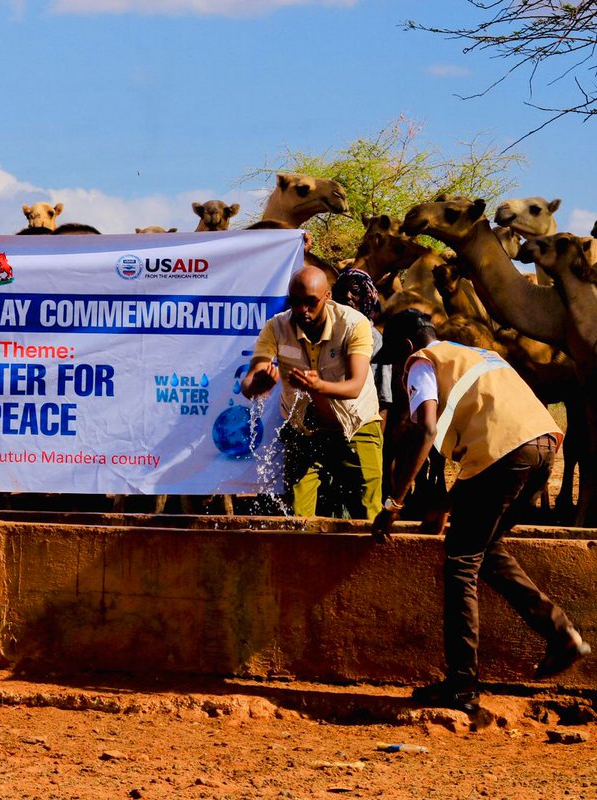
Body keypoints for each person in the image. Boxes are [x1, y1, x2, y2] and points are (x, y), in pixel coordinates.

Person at [372, 309, 589, 712]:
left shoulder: (422, 362)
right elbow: (488, 434)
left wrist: (394, 503)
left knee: (460, 563)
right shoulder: (477, 354)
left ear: (406, 346)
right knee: (483, 550)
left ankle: (461, 684)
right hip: (543, 446)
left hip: (503, 455)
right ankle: (562, 634)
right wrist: (444, 503)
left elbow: (425, 429)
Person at [240, 266, 383, 519]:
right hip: (303, 431)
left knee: (367, 513)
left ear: (327, 297)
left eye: (310, 302)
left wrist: (318, 387)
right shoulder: (276, 327)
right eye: (295, 302)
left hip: (355, 425)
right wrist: (258, 383)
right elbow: (250, 382)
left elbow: (355, 385)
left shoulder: (353, 324)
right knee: (297, 516)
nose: (302, 310)